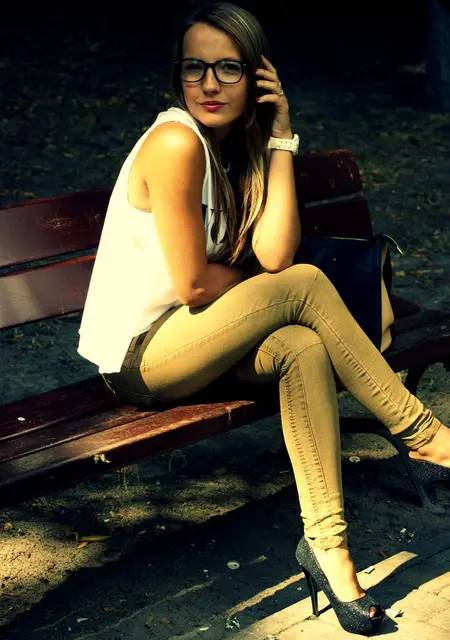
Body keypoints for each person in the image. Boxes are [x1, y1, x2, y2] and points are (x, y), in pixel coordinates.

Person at [78, 2, 450, 634]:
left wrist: (280, 134)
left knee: (301, 344)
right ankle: (424, 436)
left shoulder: (229, 148)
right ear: (177, 75)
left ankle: (328, 549)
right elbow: (196, 284)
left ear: (256, 76)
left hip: (200, 337)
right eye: (195, 68)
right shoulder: (176, 142)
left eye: (229, 68)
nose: (210, 83)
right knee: (301, 287)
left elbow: (274, 254)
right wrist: (263, 286)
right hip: (143, 356)